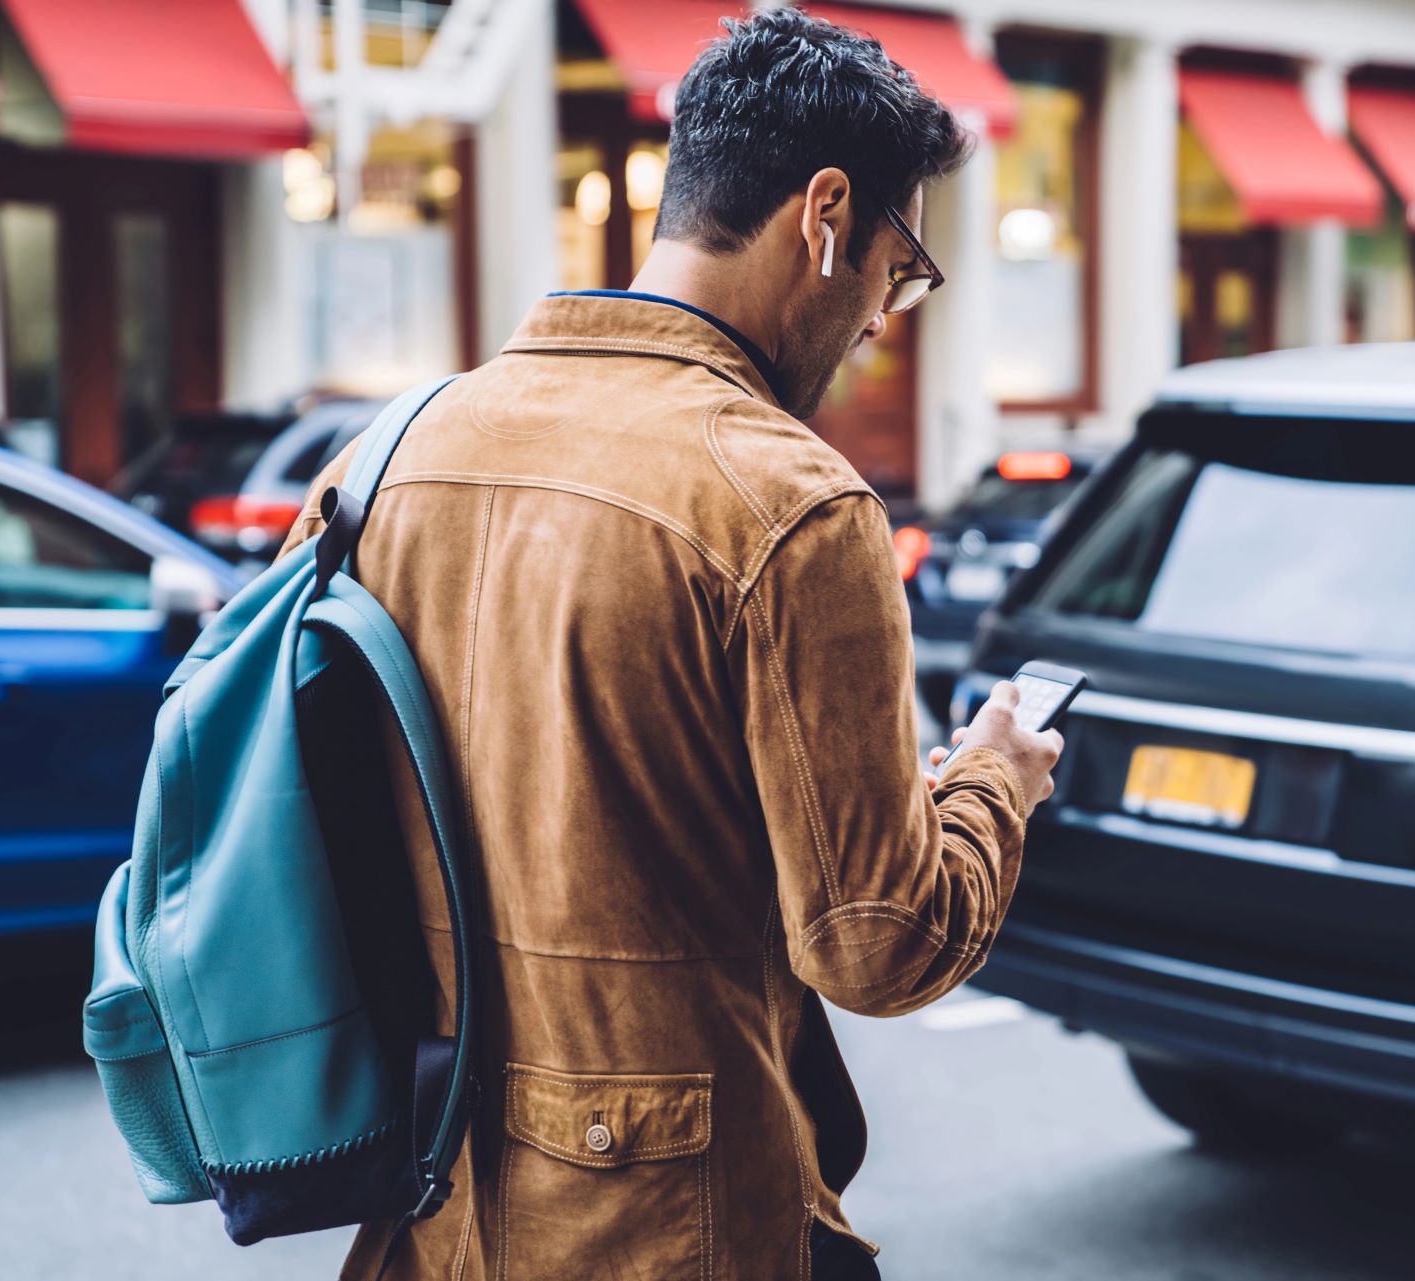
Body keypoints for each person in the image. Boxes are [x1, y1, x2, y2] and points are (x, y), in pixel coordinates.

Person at [278, 11, 1061, 1279]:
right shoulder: (790, 504)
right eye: (896, 265)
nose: (880, 319)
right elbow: (877, 939)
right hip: (665, 1226)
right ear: (825, 215)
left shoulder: (389, 453)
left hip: (431, 1194)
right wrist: (993, 785)